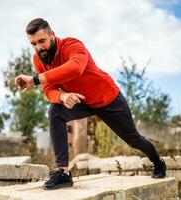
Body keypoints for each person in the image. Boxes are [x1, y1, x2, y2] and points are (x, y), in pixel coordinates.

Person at [15, 18, 167, 190]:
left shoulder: (72, 44)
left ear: (52, 35)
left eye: (42, 41)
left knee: (134, 139)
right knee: (55, 110)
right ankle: (63, 173)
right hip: (82, 101)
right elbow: (48, 90)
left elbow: (75, 68)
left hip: (107, 98)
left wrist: (35, 79)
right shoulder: (38, 59)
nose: (38, 47)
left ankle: (158, 162)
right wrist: (63, 96)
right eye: (33, 43)